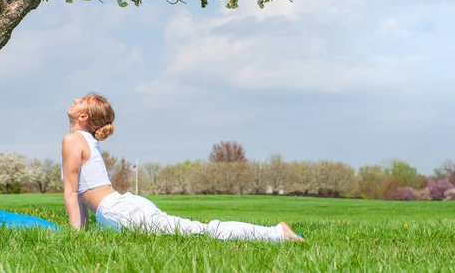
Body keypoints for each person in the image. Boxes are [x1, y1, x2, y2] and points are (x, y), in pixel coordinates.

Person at [61, 93, 304, 242]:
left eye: (80, 101)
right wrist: (81, 233)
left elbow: (72, 193)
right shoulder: (83, 141)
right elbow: (81, 195)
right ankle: (274, 233)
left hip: (120, 212)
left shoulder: (72, 140)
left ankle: (275, 233)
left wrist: (76, 237)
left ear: (83, 117)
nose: (75, 100)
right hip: (122, 208)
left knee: (201, 232)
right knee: (197, 231)